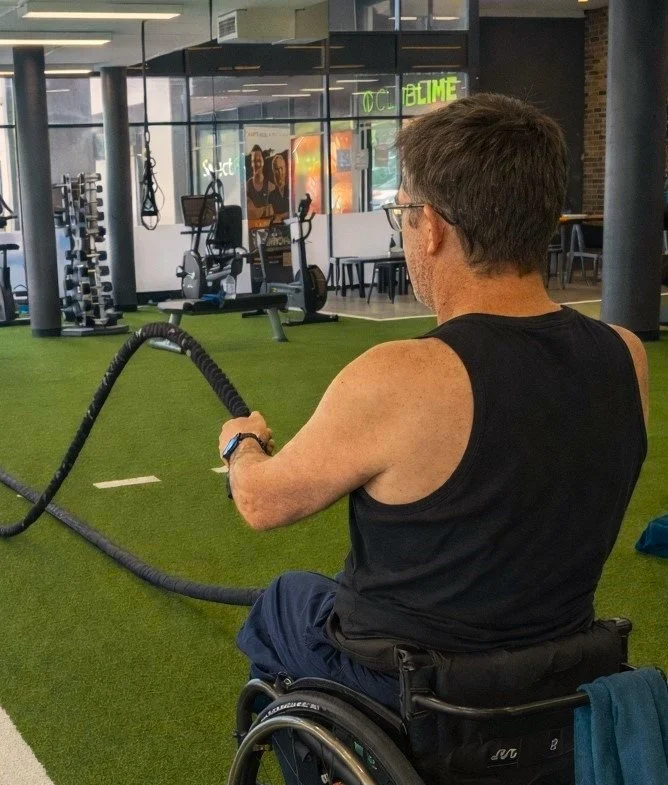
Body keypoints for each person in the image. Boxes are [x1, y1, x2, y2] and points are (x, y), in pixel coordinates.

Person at [219, 93, 649, 710]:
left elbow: (261, 502)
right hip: (558, 678)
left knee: (286, 601)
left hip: (421, 693)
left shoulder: (404, 374)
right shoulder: (626, 356)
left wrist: (242, 444)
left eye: (406, 216)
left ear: (436, 227)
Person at [245, 145, 274, 226]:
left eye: (259, 160)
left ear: (263, 161)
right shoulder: (247, 187)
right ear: (251, 163)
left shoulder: (271, 186)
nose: (257, 164)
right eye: (254, 161)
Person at [267, 152, 291, 222]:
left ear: (285, 169)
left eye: (281, 168)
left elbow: (295, 212)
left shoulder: (292, 190)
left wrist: (281, 216)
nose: (280, 172)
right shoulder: (271, 196)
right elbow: (272, 217)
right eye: (277, 169)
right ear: (274, 172)